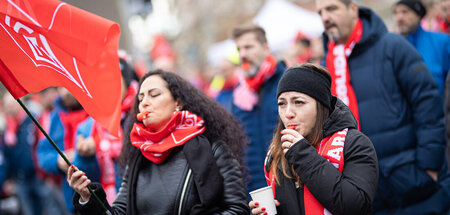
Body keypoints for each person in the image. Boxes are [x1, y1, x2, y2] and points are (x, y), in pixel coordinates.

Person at [316, 0, 450, 214]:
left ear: (353, 9)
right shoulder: (328, 65)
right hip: (368, 190)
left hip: (415, 182)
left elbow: (427, 102)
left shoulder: (392, 46)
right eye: (320, 12)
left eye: (332, 8)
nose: (325, 17)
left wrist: (429, 165)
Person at [67, 70, 250, 214]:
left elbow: (238, 209)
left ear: (178, 102)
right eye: (140, 98)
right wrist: (88, 198)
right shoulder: (138, 155)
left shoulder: (213, 148)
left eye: (154, 95)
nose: (144, 102)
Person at [248, 64, 378, 215]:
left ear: (320, 106)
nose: (288, 113)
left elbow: (355, 206)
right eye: (282, 104)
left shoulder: (354, 144)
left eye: (299, 102)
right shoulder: (276, 153)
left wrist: (303, 155)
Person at [71, 57, 137, 204]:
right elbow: (82, 180)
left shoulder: (141, 117)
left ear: (126, 83)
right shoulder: (87, 127)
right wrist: (84, 156)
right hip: (103, 204)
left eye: (115, 80)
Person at [231, 23, 287, 193]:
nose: (243, 54)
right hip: (256, 191)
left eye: (248, 47)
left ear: (265, 48)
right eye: (239, 49)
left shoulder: (287, 82)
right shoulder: (239, 95)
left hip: (289, 185)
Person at [37, 88, 89, 213]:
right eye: (61, 88)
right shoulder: (54, 117)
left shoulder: (95, 111)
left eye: (68, 87)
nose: (66, 92)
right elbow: (42, 154)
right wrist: (58, 160)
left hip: (102, 191)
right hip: (70, 197)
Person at [393, 0, 450, 95]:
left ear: (418, 15)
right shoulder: (393, 48)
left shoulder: (441, 42)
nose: (399, 18)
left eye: (405, 12)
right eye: (396, 13)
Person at [2, 93, 46, 215]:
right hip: (20, 179)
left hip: (37, 176)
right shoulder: (8, 129)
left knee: (45, 209)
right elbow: (7, 155)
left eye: (12, 104)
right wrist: (8, 178)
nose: (10, 108)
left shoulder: (32, 121)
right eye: (7, 106)